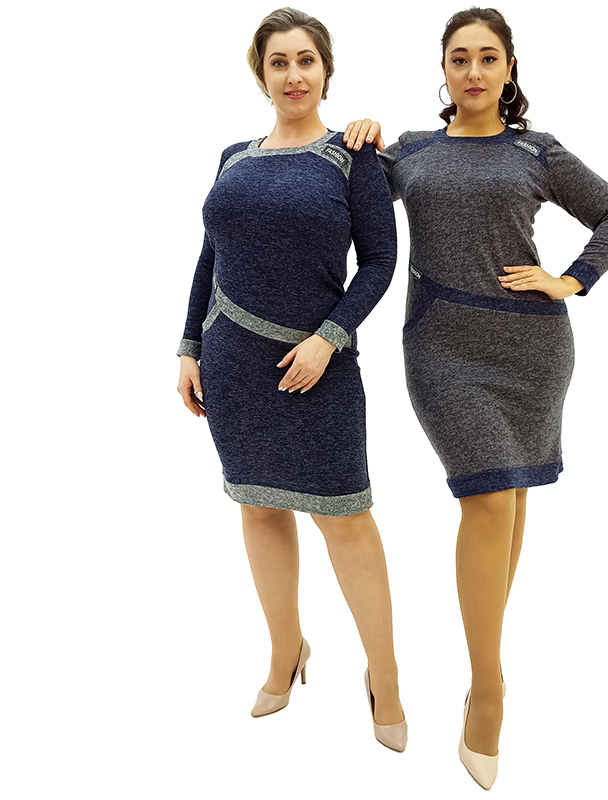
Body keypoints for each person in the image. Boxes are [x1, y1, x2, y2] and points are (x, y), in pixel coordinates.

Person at [344, 6, 608, 787]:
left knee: (509, 498)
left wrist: (571, 280)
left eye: (486, 57)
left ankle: (482, 676)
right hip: (441, 348)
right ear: (442, 70)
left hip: (533, 349)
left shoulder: (537, 151)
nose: (472, 71)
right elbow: (345, 191)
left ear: (509, 68)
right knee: (487, 499)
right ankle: (491, 686)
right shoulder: (411, 151)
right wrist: (360, 137)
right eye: (458, 58)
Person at [176, 7, 406, 752]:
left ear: (326, 71)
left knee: (346, 519)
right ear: (262, 75)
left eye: (306, 60)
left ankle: (385, 675)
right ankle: (285, 650)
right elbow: (210, 257)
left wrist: (329, 339)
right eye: (279, 62)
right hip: (232, 365)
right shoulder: (232, 158)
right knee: (258, 509)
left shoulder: (351, 156)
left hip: (319, 367)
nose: (294, 74)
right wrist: (189, 345)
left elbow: (379, 262)